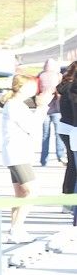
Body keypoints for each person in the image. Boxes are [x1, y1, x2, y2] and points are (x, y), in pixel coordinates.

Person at [1, 74, 40, 243]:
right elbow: (32, 126)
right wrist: (42, 108)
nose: (35, 89)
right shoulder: (15, 106)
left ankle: (15, 228)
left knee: (20, 193)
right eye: (32, 86)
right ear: (22, 87)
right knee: (31, 192)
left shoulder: (16, 105)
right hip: (17, 154)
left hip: (16, 153)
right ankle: (16, 229)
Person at [36, 58, 65, 166]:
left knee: (45, 135)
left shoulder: (40, 75)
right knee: (58, 134)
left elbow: (37, 91)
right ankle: (60, 156)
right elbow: (62, 92)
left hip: (44, 109)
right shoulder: (58, 76)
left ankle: (44, 160)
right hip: (57, 109)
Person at [57, 61, 77, 213]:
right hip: (71, 127)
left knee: (71, 166)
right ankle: (69, 202)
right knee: (72, 167)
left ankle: (67, 201)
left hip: (65, 127)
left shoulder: (66, 86)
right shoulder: (72, 88)